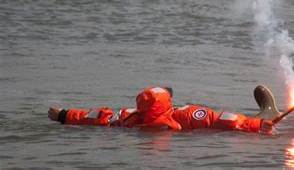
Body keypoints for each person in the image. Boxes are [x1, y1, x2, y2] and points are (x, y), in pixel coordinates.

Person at [48, 85, 277, 134]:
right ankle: (268, 113)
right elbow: (222, 118)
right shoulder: (184, 114)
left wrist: (63, 114)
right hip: (248, 126)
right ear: (168, 103)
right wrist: (255, 124)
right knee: (264, 117)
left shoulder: (131, 118)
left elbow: (97, 117)